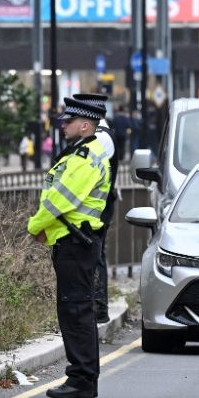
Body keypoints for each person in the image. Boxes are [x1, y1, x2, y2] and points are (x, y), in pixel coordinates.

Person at [27, 97, 112, 398]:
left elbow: (58, 201)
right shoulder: (82, 153)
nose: (63, 125)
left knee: (75, 312)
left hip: (76, 244)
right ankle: (82, 377)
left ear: (85, 125)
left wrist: (35, 227)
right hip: (73, 242)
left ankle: (82, 379)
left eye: (69, 121)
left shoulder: (84, 158)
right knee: (75, 310)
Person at [72, 93, 120, 325]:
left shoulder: (100, 138)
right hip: (99, 204)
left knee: (95, 253)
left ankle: (98, 307)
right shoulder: (103, 135)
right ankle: (96, 305)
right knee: (96, 253)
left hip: (97, 205)